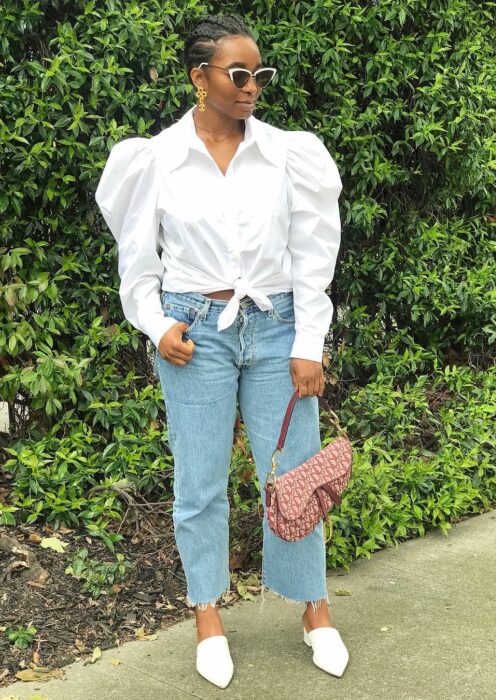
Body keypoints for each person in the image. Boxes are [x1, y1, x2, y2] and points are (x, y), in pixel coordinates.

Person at [95, 13, 348, 689]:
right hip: (194, 333)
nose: (252, 87)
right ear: (198, 76)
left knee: (297, 473)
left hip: (274, 327)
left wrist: (308, 342)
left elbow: (312, 256)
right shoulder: (155, 161)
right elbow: (138, 263)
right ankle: (208, 614)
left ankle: (314, 610)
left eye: (260, 74)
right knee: (199, 481)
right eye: (238, 74)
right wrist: (155, 324)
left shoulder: (289, 155)